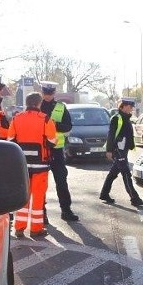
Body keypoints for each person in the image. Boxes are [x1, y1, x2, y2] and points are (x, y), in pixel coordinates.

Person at [7, 92, 57, 236]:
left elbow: (11, 139)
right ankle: (36, 229)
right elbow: (52, 141)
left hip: (22, 164)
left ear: (27, 103)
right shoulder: (45, 119)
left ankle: (19, 228)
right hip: (40, 165)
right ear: (39, 104)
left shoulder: (17, 118)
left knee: (24, 196)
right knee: (38, 196)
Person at [39, 81, 79, 221]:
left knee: (61, 181)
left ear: (54, 93)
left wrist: (54, 125)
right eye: (45, 93)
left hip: (56, 150)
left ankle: (66, 210)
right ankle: (41, 212)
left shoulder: (61, 107)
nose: (48, 96)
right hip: (41, 150)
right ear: (42, 93)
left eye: (50, 93)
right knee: (40, 183)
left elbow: (68, 127)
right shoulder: (37, 106)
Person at [99, 98, 143, 206]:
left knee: (113, 173)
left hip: (123, 150)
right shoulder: (116, 118)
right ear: (122, 106)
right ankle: (134, 198)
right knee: (126, 174)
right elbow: (111, 135)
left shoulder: (126, 118)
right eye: (129, 106)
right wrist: (109, 150)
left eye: (131, 107)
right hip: (118, 150)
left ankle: (104, 193)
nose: (131, 109)